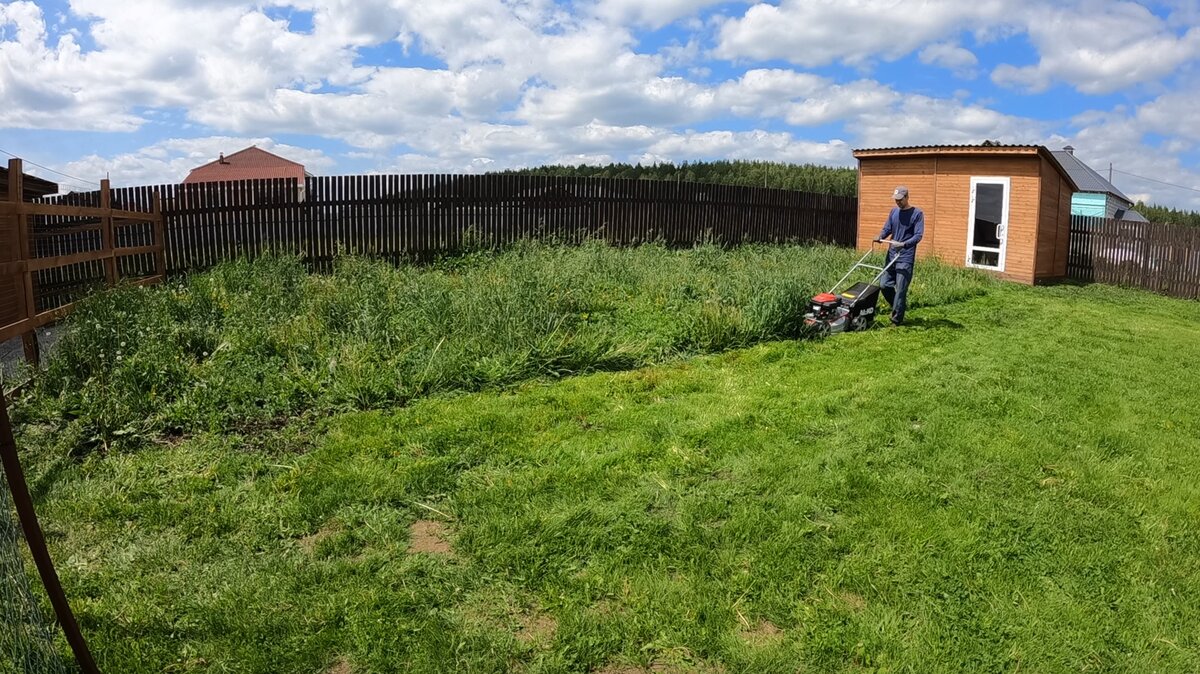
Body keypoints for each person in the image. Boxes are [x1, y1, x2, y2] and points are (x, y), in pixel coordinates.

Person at [873, 186, 924, 326]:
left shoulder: (917, 214)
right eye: (896, 200)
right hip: (891, 255)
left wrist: (904, 244)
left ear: (907, 198)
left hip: (905, 257)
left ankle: (896, 319)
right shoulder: (894, 212)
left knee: (901, 289)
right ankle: (899, 307)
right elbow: (887, 228)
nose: (898, 202)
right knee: (884, 285)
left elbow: (918, 235)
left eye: (900, 200)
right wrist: (881, 236)